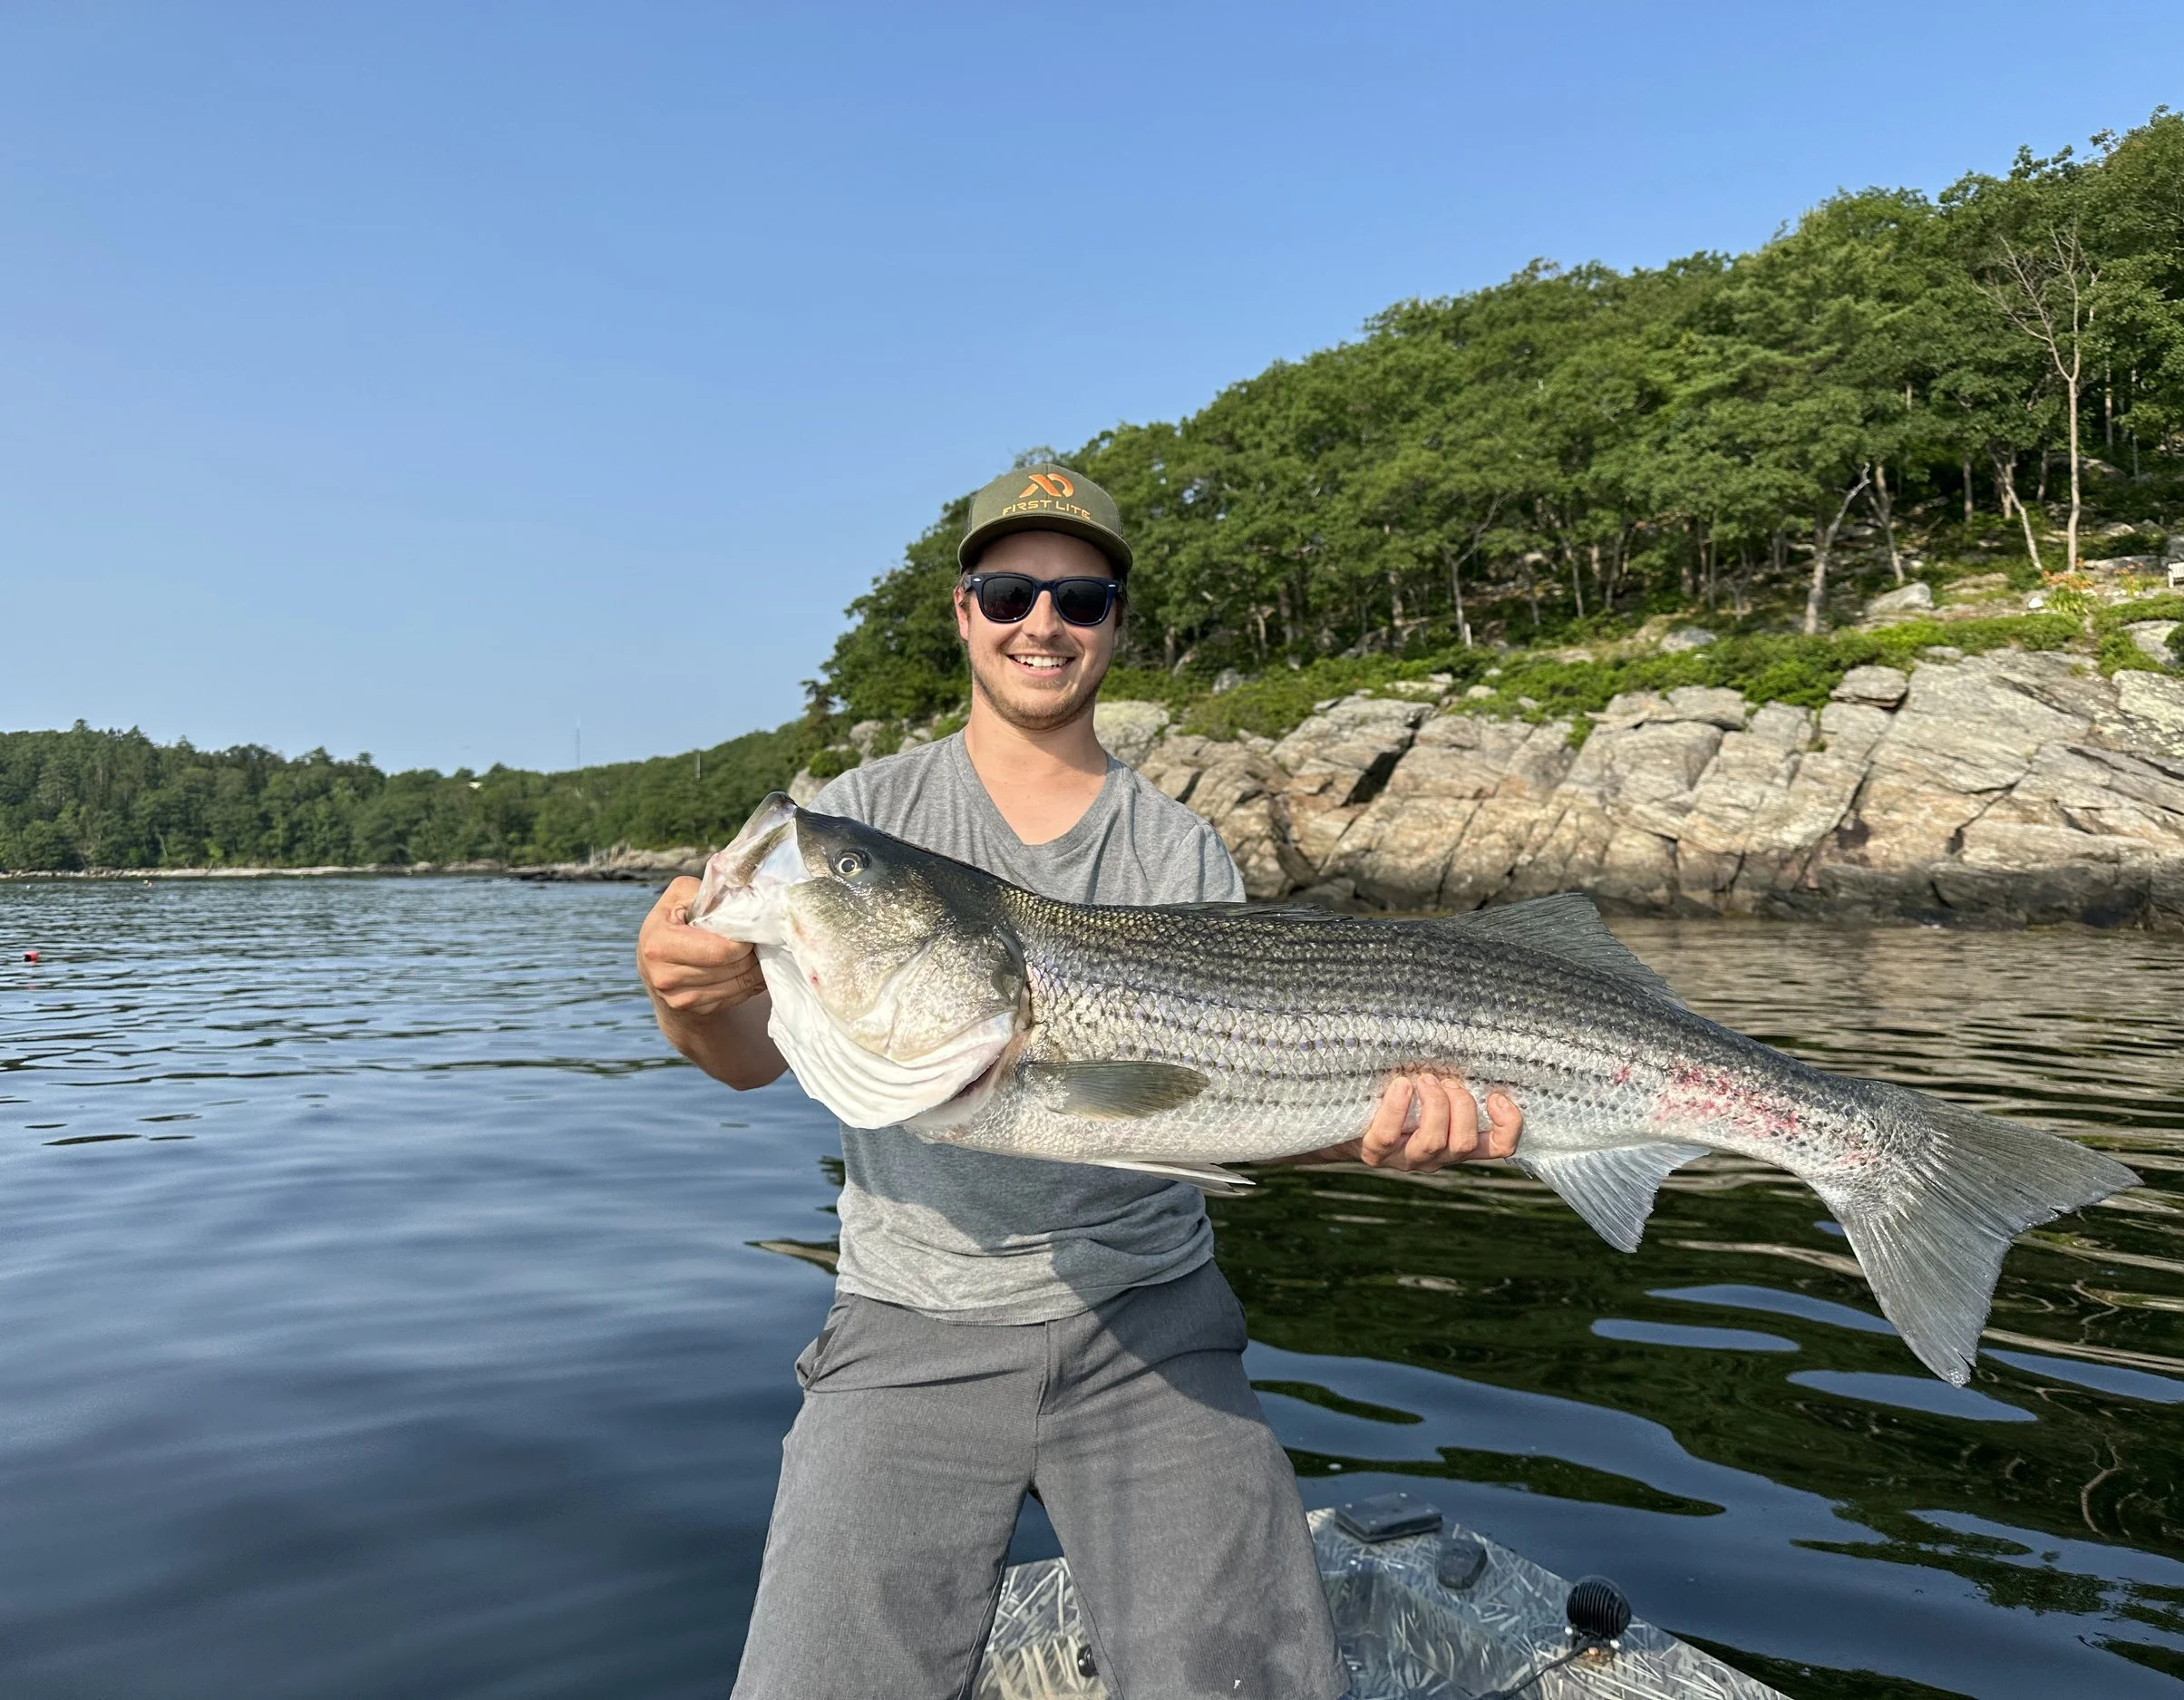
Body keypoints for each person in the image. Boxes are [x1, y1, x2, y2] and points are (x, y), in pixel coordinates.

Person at [637, 462, 1522, 1700]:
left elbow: (1240, 1112)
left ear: (1115, 623)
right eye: (1007, 591)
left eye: (1078, 598)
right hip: (908, 1319)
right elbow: (748, 1057)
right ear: (962, 611)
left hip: (1151, 1312)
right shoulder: (860, 820)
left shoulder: (1176, 845)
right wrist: (689, 1002)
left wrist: (1387, 1130)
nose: (1039, 622)